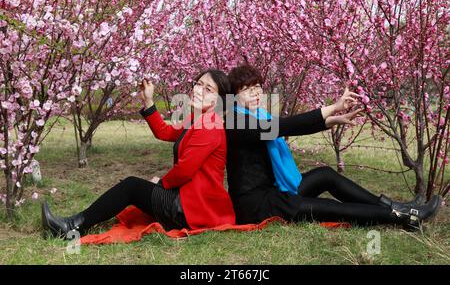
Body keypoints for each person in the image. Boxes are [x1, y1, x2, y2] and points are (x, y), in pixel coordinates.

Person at [225, 65, 441, 231]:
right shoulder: (237, 123)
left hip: (275, 193)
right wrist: (333, 107)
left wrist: (332, 120)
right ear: (234, 96)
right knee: (331, 208)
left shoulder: (258, 116)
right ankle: (405, 216)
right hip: (258, 206)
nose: (254, 93)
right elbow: (286, 126)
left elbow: (288, 126)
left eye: (257, 87)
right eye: (246, 89)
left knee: (324, 175)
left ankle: (396, 206)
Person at [41, 69, 236, 239]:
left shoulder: (210, 124)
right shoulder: (198, 118)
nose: (198, 90)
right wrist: (149, 101)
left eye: (208, 89)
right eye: (198, 84)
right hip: (185, 200)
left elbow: (185, 170)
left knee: (131, 186)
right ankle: (74, 224)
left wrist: (159, 185)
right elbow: (165, 132)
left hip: (191, 209)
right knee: (132, 186)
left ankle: (71, 226)